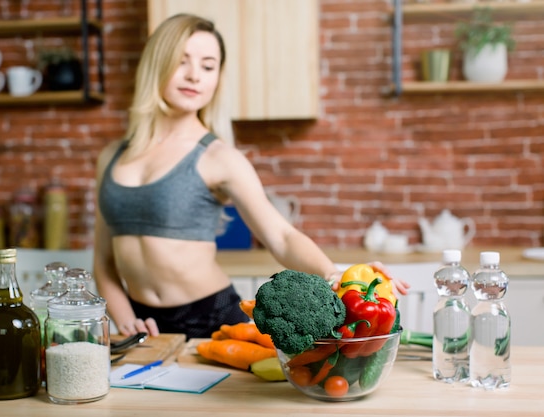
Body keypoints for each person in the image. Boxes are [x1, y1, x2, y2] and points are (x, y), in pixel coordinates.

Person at [93, 13, 408, 339]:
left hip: (212, 319)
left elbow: (281, 237)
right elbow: (103, 260)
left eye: (207, 66)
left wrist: (333, 273)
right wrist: (125, 319)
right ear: (155, 64)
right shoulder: (111, 158)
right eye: (181, 61)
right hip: (143, 325)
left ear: (217, 78)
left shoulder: (220, 157)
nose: (194, 76)